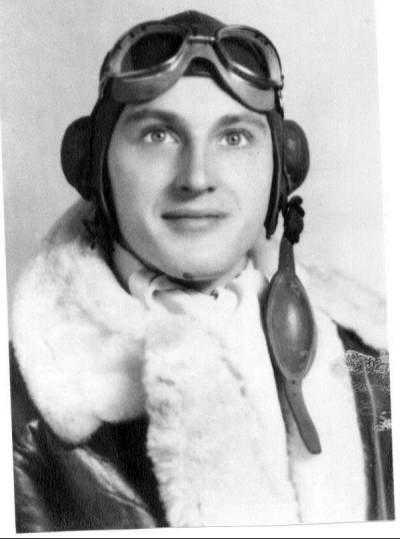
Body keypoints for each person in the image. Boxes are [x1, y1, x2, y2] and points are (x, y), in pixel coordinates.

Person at [9, 10, 393, 533]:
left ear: (283, 168)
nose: (196, 177)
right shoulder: (20, 404)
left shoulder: (371, 360)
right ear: (90, 166)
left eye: (234, 137)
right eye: (158, 135)